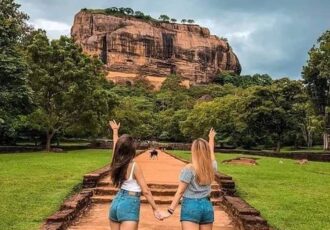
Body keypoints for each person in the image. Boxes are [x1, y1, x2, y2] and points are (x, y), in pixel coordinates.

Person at [108, 120, 163, 230]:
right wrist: (155, 208)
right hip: (129, 204)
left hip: (116, 203)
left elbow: (116, 146)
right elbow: (146, 190)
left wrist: (115, 131)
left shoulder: (116, 161)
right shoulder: (133, 166)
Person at [161, 128, 218, 230]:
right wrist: (211, 138)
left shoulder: (189, 169)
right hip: (207, 206)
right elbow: (212, 153)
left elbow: (180, 191)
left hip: (191, 206)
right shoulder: (212, 166)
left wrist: (170, 211)